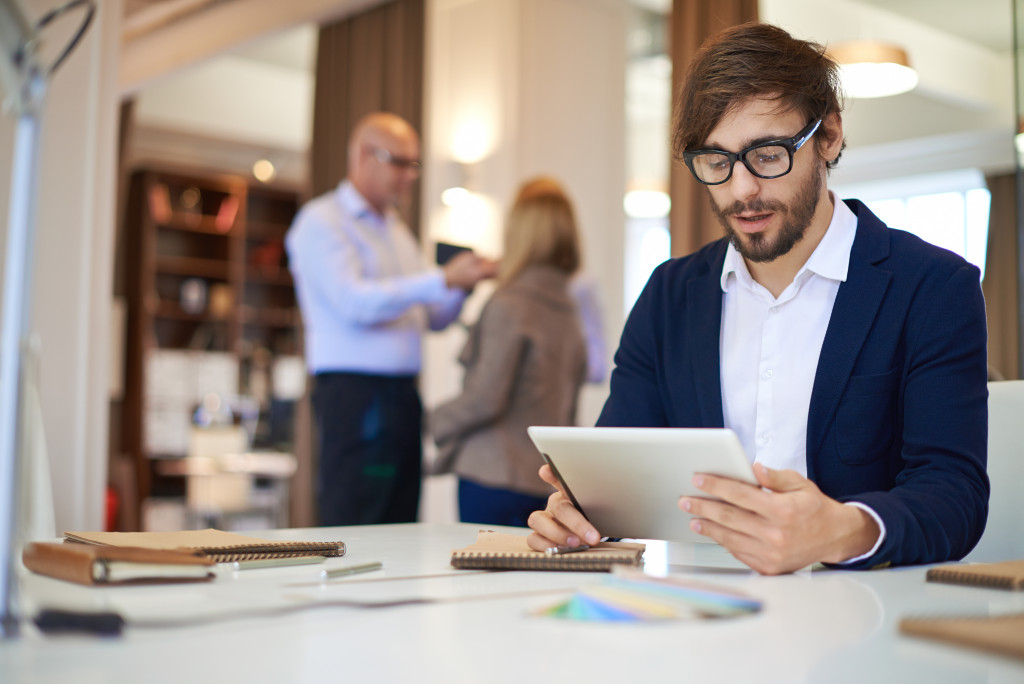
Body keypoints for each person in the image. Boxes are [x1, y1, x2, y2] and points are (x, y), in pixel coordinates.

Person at [527, 23, 989, 574]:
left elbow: (954, 496)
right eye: (717, 163)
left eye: (767, 155)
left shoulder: (932, 288)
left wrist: (842, 530)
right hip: (699, 608)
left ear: (830, 137)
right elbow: (618, 470)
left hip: (862, 616)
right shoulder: (670, 296)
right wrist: (578, 511)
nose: (742, 190)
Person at [286, 112, 495, 526]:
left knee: (400, 517)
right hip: (356, 396)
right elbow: (354, 303)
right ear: (363, 156)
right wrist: (440, 279)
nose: (409, 175)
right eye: (398, 162)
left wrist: (461, 286)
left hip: (401, 396)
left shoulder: (396, 231)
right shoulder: (322, 221)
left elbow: (431, 318)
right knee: (358, 517)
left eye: (413, 164)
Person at [430, 177, 588, 527]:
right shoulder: (569, 311)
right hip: (545, 482)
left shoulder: (510, 303)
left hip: (493, 477)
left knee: (481, 582)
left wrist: (429, 421)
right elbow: (568, 411)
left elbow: (485, 398)